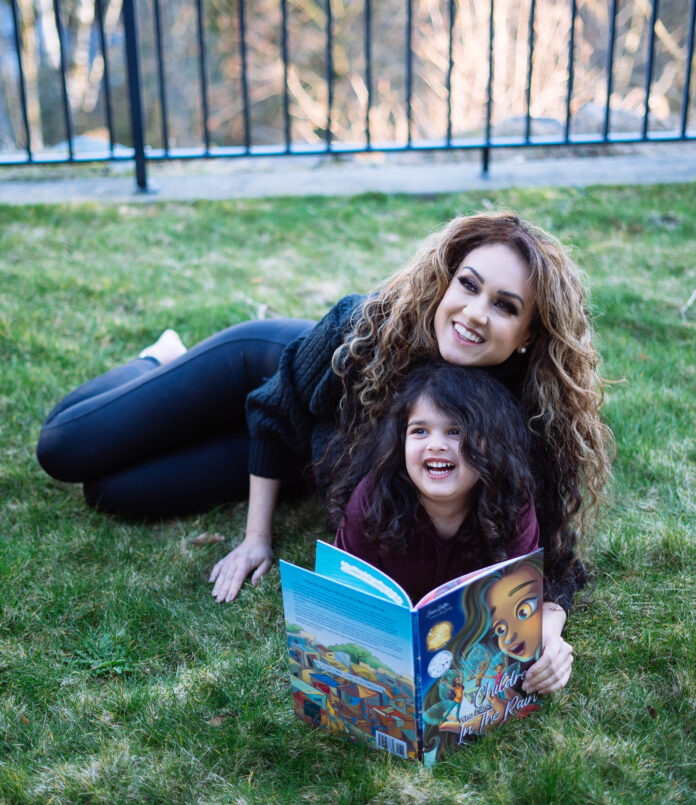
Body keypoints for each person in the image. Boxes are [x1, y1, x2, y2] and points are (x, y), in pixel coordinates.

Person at [36, 211, 614, 693]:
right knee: (65, 447)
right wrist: (257, 537)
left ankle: (240, 442)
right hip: (270, 375)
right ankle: (160, 360)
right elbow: (271, 410)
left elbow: (553, 561)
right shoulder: (365, 329)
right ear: (446, 279)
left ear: (530, 334)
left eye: (505, 306)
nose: (474, 313)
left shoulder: (518, 423)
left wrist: (550, 631)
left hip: (307, 456)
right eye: (467, 284)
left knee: (113, 492)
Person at [332, 361, 540, 605]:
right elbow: (342, 588)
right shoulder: (374, 495)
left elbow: (521, 596)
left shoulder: (510, 499)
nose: (436, 445)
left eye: (456, 431)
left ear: (490, 444)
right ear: (401, 443)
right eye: (420, 431)